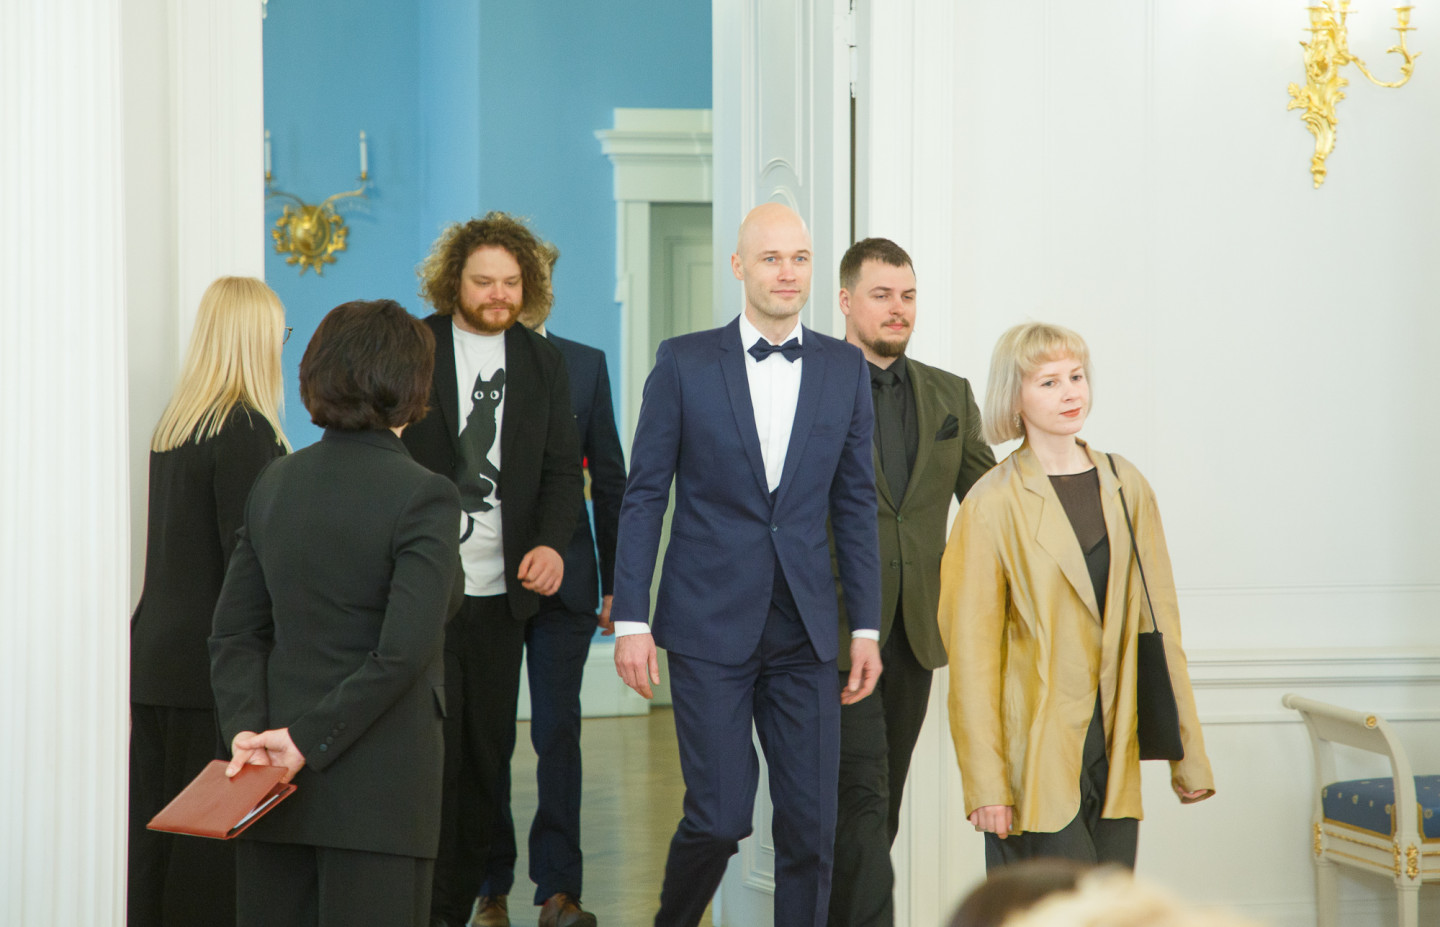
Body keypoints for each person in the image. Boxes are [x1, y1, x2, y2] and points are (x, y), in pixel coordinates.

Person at [612, 202, 884, 927]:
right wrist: (632, 618)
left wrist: (866, 627)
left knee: (812, 827)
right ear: (739, 266)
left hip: (806, 630)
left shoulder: (844, 367)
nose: (787, 272)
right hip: (707, 625)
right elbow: (645, 494)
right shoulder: (684, 361)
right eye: (771, 258)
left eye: (799, 258)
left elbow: (855, 503)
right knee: (719, 817)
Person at [209, 299, 461, 927]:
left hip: (269, 787)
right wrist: (303, 740)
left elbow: (235, 631)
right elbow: (402, 651)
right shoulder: (425, 494)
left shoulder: (275, 481)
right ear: (413, 385)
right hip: (378, 794)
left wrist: (248, 732)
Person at [939, 322, 1214, 872]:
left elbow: (1161, 625)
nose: (1070, 393)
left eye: (1076, 377)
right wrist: (986, 783)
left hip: (1117, 743)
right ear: (1014, 398)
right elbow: (972, 659)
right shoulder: (990, 503)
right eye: (1049, 382)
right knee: (1049, 907)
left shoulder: (1126, 484)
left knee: (1109, 906)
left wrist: (1190, 758)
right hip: (1034, 756)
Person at [404, 213, 585, 927]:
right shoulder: (415, 346)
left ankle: (462, 903)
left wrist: (552, 544)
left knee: (487, 757)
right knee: (432, 758)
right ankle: (421, 904)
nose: (499, 295)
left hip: (503, 598)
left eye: (511, 282)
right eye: (484, 281)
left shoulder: (542, 363)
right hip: (424, 592)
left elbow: (562, 473)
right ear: (454, 281)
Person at [827, 239, 995, 927]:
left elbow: (989, 501)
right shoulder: (809, 386)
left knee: (882, 804)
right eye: (881, 295)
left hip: (917, 631)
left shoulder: (949, 392)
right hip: (832, 631)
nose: (898, 309)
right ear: (846, 301)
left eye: (908, 295)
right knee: (860, 799)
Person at [128, 275, 291, 927]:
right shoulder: (245, 429)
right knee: (207, 856)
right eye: (279, 333)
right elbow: (246, 569)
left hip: (155, 655)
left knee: (155, 842)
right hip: (211, 668)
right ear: (257, 338)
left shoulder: (176, 426)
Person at [478, 240, 623, 927]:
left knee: (558, 733)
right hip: (486, 585)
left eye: (530, 278)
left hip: (568, 590)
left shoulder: (585, 365)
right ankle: (489, 886)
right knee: (488, 738)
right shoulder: (470, 364)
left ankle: (559, 889)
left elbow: (612, 481)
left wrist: (618, 585)